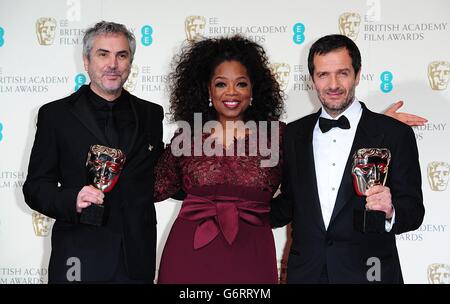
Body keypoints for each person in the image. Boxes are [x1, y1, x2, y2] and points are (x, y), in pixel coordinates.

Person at [270, 34, 425, 283]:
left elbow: (414, 212)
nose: (333, 84)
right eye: (323, 75)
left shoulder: (394, 134)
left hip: (370, 274)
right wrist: (231, 207)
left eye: (342, 73)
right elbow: (289, 203)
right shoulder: (293, 135)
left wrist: (390, 211)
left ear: (357, 73)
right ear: (312, 79)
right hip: (307, 274)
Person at [23, 21, 164, 283]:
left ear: (130, 62)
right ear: (86, 61)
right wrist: (71, 198)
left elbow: (161, 176)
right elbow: (35, 187)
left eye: (121, 55)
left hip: (135, 258)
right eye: (103, 54)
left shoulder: (151, 114)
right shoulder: (56, 115)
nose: (113, 64)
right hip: (78, 254)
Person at [154, 35, 285, 284]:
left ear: (254, 89)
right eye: (221, 84)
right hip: (189, 254)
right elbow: (155, 187)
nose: (231, 92)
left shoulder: (276, 136)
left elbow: (304, 192)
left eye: (241, 84)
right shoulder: (188, 135)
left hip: (252, 254)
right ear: (208, 90)